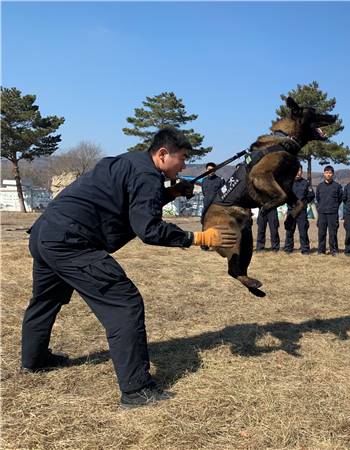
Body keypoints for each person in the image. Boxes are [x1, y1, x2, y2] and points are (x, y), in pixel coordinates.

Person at [20, 128, 236, 408]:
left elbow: (128, 202)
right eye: (182, 158)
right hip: (71, 242)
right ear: (162, 154)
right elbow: (148, 228)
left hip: (45, 234)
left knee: (46, 300)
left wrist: (168, 193)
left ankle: (34, 361)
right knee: (124, 304)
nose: (184, 166)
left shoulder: (131, 161)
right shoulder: (146, 175)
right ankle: (136, 391)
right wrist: (198, 238)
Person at [283, 167, 315, 255]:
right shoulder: (288, 183)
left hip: (302, 211)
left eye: (299, 171)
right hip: (291, 211)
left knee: (303, 231)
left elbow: (311, 195)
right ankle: (288, 249)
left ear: (301, 172)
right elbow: (284, 196)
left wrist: (304, 203)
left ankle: (305, 249)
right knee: (289, 230)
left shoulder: (306, 183)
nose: (297, 173)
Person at [315, 165, 343, 256]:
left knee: (333, 233)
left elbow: (340, 199)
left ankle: (333, 250)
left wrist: (334, 206)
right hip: (322, 212)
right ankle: (321, 250)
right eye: (326, 173)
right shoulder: (319, 186)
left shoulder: (337, 186)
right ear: (324, 174)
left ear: (333, 174)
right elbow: (318, 198)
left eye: (330, 173)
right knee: (321, 233)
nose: (328, 175)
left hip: (333, 213)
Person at [200, 162, 225, 250]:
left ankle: (216, 244)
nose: (210, 171)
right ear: (206, 170)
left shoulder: (220, 180)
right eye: (208, 170)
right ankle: (204, 245)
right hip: (206, 206)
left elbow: (223, 194)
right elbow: (204, 193)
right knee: (204, 225)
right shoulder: (204, 180)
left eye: (212, 169)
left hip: (216, 207)